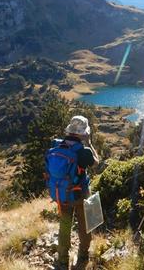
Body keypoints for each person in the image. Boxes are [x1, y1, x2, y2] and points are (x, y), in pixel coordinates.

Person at [54, 115, 99, 270]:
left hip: (62, 195)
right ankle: (82, 256)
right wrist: (89, 143)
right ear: (83, 133)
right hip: (80, 194)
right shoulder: (83, 151)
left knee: (65, 225)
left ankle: (62, 260)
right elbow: (96, 163)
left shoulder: (59, 146)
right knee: (84, 226)